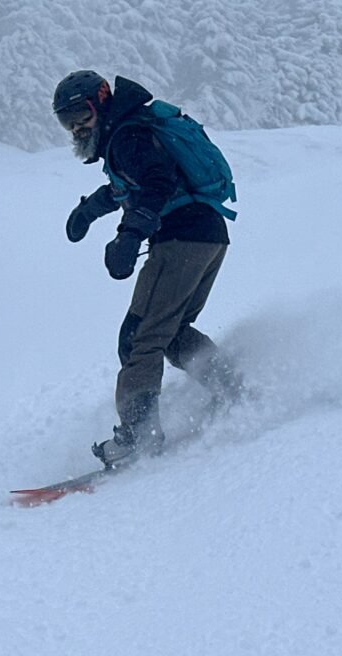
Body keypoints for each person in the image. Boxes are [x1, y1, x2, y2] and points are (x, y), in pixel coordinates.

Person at [52, 70, 241, 467]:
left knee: (139, 336)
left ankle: (139, 437)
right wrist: (87, 212)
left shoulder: (128, 137)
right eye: (66, 121)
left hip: (181, 240)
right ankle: (233, 391)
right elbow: (127, 186)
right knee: (169, 334)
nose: (76, 128)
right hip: (207, 236)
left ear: (101, 102)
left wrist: (129, 235)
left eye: (80, 116)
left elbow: (156, 183)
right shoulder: (129, 135)